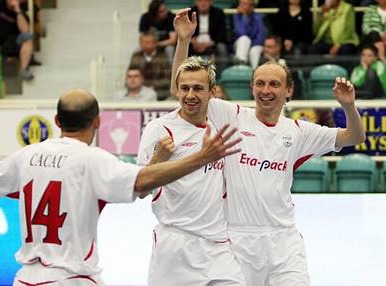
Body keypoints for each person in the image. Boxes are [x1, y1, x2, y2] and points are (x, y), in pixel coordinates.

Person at [0, 88, 240, 286]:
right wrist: (202, 157)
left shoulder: (28, 155)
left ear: (56, 121)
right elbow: (143, 182)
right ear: (98, 122)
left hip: (25, 278)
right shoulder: (92, 160)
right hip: (73, 278)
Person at [171, 9, 366, 286]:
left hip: (283, 241)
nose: (266, 90)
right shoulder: (231, 115)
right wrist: (183, 41)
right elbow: (182, 87)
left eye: (274, 84)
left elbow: (354, 137)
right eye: (260, 83)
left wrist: (348, 106)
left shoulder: (299, 131)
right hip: (236, 241)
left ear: (289, 91)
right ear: (251, 88)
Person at [137, 10, 244, 286]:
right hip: (175, 247)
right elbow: (140, 190)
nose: (189, 95)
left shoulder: (223, 119)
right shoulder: (159, 130)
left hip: (218, 245)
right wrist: (158, 161)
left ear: (213, 93)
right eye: (184, 89)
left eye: (198, 89)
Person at [0, 0, 35, 80]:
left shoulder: (22, 14)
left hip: (12, 43)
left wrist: (17, 11)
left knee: (28, 37)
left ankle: (23, 70)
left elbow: (25, 31)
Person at [188, 0, 229, 73]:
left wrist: (209, 44)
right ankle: (186, 73)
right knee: (184, 46)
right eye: (200, 1)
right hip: (194, 43)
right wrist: (192, 41)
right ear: (196, 2)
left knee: (222, 47)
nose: (203, 3)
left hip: (212, 43)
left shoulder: (218, 13)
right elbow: (185, 32)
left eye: (206, 1)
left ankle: (222, 75)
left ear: (211, 2)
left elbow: (221, 34)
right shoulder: (190, 12)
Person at [129, 30, 171, 100]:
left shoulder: (163, 57)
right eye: (142, 42)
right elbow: (130, 74)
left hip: (160, 92)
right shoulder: (136, 56)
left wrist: (154, 86)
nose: (144, 44)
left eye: (147, 42)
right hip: (138, 91)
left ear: (155, 43)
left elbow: (167, 78)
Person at [231, 0, 267, 68]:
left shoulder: (258, 17)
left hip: (255, 44)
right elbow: (241, 33)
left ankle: (255, 72)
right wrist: (245, 16)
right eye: (243, 4)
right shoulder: (236, 16)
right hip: (239, 44)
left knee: (254, 51)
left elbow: (261, 36)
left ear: (252, 7)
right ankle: (241, 66)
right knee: (244, 39)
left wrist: (250, 45)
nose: (245, 6)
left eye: (247, 4)